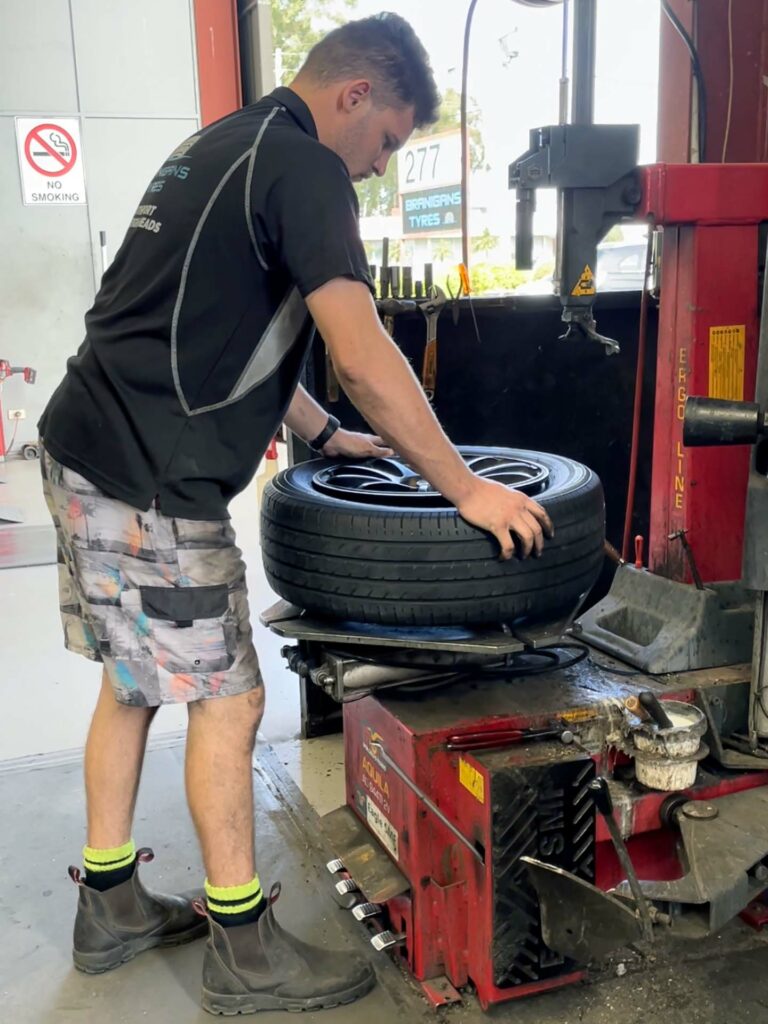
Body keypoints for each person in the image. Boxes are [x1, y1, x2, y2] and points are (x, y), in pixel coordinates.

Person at [38, 11, 553, 1016]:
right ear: (353, 96)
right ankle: (245, 948)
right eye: (390, 142)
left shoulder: (224, 145)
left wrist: (321, 439)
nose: (380, 166)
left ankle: (111, 905)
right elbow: (362, 353)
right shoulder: (307, 168)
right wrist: (464, 484)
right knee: (229, 701)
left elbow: (242, 325)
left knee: (134, 681)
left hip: (88, 444)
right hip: (149, 477)